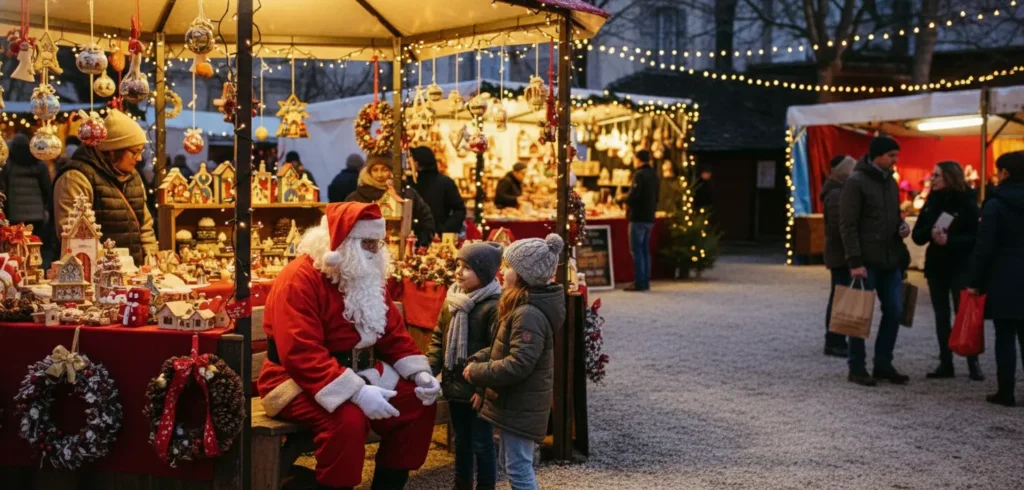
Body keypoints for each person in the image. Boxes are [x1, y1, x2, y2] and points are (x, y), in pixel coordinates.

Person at [257, 202, 440, 489]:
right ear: (342, 244)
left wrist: (419, 373)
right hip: (294, 379)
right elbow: (301, 352)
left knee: (416, 402)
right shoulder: (299, 279)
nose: (377, 251)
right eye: (368, 243)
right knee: (347, 421)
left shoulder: (365, 275)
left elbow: (392, 333)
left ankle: (389, 484)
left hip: (364, 372)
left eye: (379, 242)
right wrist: (356, 392)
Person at [464, 234, 565, 490]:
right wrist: (483, 357)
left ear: (523, 275)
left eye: (508, 268)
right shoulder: (521, 306)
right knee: (512, 463)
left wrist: (479, 372)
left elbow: (519, 363)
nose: (502, 272)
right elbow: (507, 348)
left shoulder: (528, 313)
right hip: (517, 403)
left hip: (522, 405)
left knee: (519, 468)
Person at [427, 242, 503, 490]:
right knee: (461, 442)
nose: (459, 271)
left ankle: (486, 486)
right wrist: (428, 371)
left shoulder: (493, 307)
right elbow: (439, 339)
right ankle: (461, 485)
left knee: (482, 443)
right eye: (458, 265)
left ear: (485, 272)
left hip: (477, 389)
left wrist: (483, 390)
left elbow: (497, 351)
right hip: (455, 386)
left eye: (468, 267)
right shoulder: (452, 301)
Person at [839, 135, 911, 386]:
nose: (895, 160)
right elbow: (847, 224)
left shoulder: (890, 182)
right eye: (891, 155)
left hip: (891, 259)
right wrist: (855, 260)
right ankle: (856, 367)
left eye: (896, 155)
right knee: (859, 314)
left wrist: (901, 227)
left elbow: (893, 217)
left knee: (895, 311)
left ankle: (883, 362)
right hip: (866, 261)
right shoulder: (856, 182)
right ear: (877, 156)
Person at [53, 110, 157, 266]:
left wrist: (150, 257)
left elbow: (145, 225)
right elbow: (74, 237)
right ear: (113, 150)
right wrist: (110, 266)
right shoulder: (76, 178)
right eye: (135, 152)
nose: (140, 158)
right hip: (94, 276)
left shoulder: (133, 176)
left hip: (134, 274)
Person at [911, 161, 982, 381]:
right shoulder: (931, 201)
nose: (932, 179)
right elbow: (918, 235)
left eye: (937, 175)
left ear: (950, 177)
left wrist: (950, 241)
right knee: (941, 316)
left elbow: (976, 237)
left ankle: (973, 362)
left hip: (960, 265)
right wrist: (930, 234)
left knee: (964, 314)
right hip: (937, 267)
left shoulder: (967, 201)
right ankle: (946, 362)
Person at [967, 151, 1024, 407]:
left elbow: (984, 247)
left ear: (1005, 173)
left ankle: (1006, 391)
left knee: (1005, 336)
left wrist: (975, 280)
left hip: (1004, 276)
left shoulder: (995, 204)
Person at [346, 155, 435, 247]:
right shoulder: (356, 197)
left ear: (392, 171)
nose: (379, 175)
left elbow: (426, 219)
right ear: (368, 172)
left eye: (384, 169)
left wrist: (419, 244)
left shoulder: (407, 193)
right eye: (375, 170)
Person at [1, 134, 55, 266]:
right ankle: (35, 268)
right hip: (36, 215)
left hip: (16, 214)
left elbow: (4, 187)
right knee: (35, 245)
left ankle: (20, 269)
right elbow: (47, 188)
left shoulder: (9, 164)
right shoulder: (39, 164)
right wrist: (45, 207)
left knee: (17, 246)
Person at [821, 155, 856, 358]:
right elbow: (838, 227)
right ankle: (834, 340)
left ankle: (838, 339)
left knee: (841, 295)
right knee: (840, 296)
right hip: (840, 254)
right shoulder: (836, 194)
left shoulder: (839, 191)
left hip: (842, 253)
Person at [617, 149, 658, 292]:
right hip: (650, 217)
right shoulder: (654, 175)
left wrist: (622, 198)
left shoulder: (639, 175)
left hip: (638, 217)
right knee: (645, 250)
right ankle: (645, 281)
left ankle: (639, 282)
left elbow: (634, 195)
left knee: (637, 250)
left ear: (638, 159)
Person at [410, 146, 466, 235]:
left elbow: (459, 210)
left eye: (411, 160)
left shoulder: (444, 183)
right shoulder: (410, 183)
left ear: (417, 163)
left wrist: (445, 229)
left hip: (437, 237)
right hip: (411, 235)